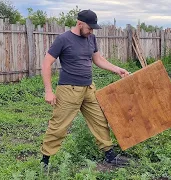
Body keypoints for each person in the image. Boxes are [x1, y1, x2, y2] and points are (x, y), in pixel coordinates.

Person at [40, 9, 130, 167]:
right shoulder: (63, 39)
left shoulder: (91, 38)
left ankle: (109, 154)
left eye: (93, 29)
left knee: (100, 120)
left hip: (88, 88)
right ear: (79, 23)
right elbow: (46, 63)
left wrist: (117, 69)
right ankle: (45, 160)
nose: (91, 31)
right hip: (69, 90)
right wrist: (48, 91)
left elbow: (98, 59)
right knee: (59, 125)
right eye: (89, 28)